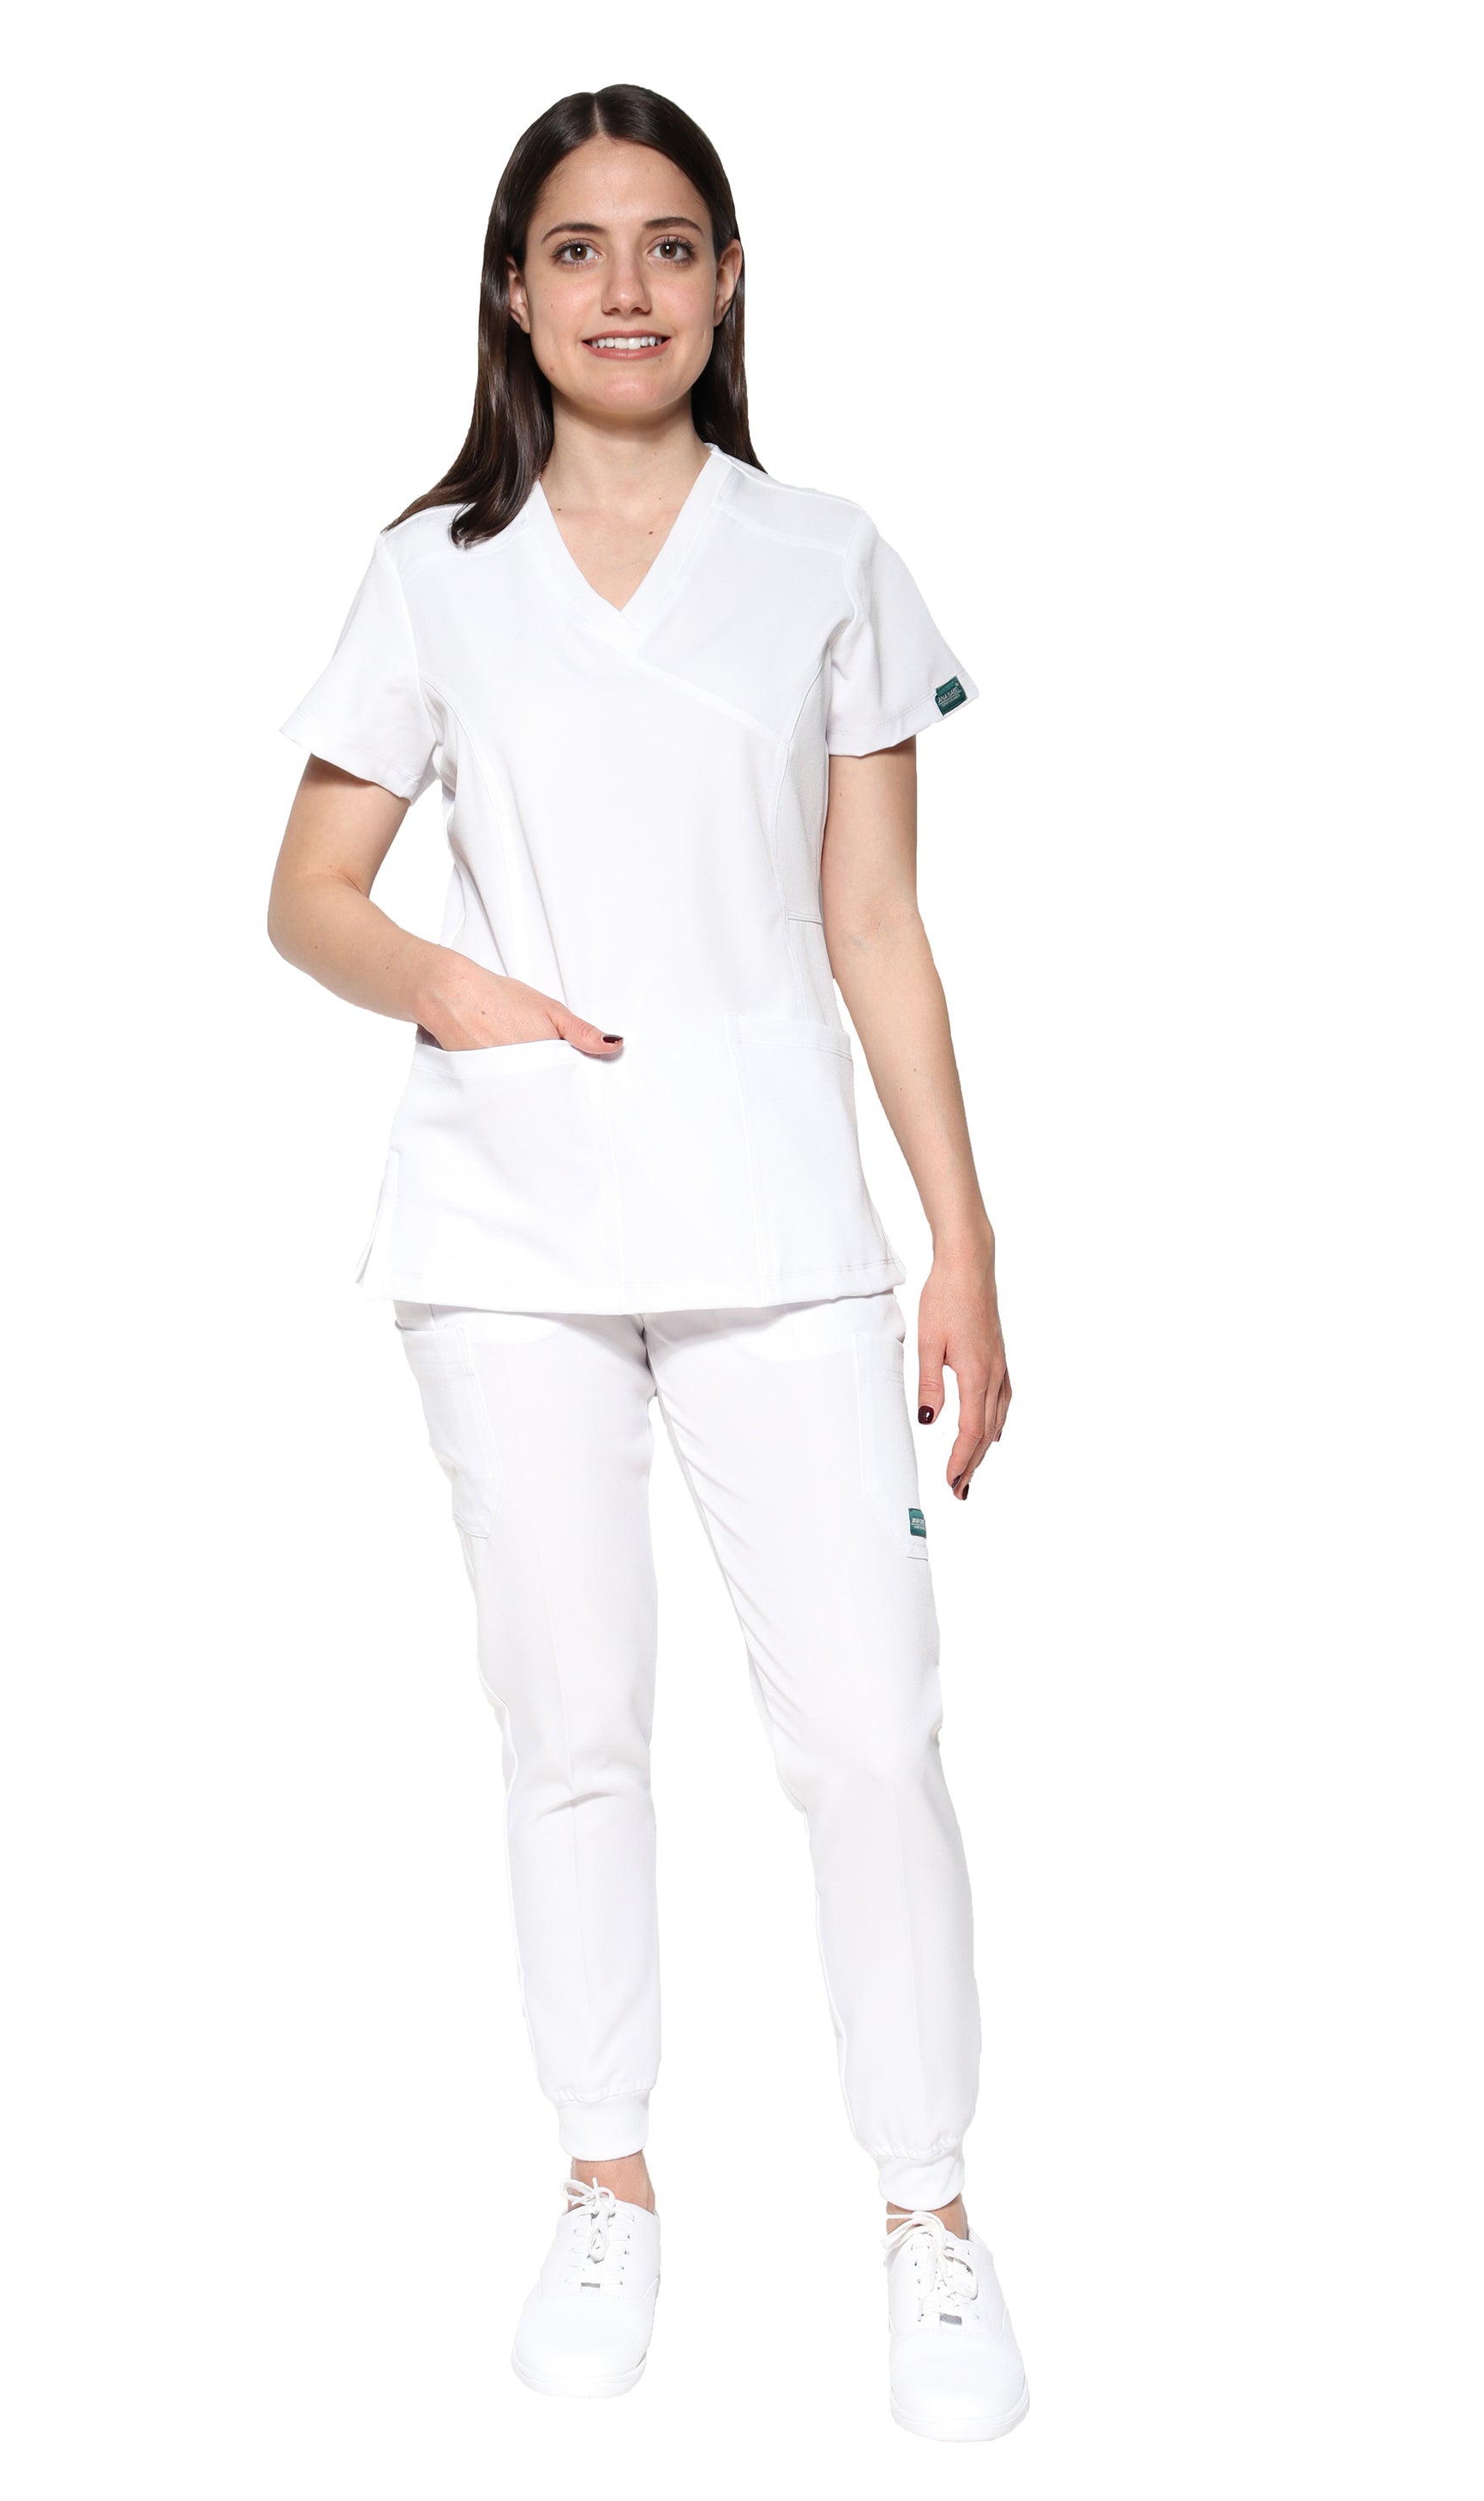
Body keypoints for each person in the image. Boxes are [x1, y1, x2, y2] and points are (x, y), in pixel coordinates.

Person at [266, 84, 1026, 2442]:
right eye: (578, 248)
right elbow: (307, 895)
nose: (625, 288)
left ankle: (926, 2213)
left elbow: (876, 925)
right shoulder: (433, 571)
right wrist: (454, 988)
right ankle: (605, 2180)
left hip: (781, 1230)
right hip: (507, 1229)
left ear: (726, 281)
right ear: (514, 292)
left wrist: (961, 1241)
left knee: (870, 1730)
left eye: (669, 244)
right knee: (571, 1723)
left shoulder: (826, 557)